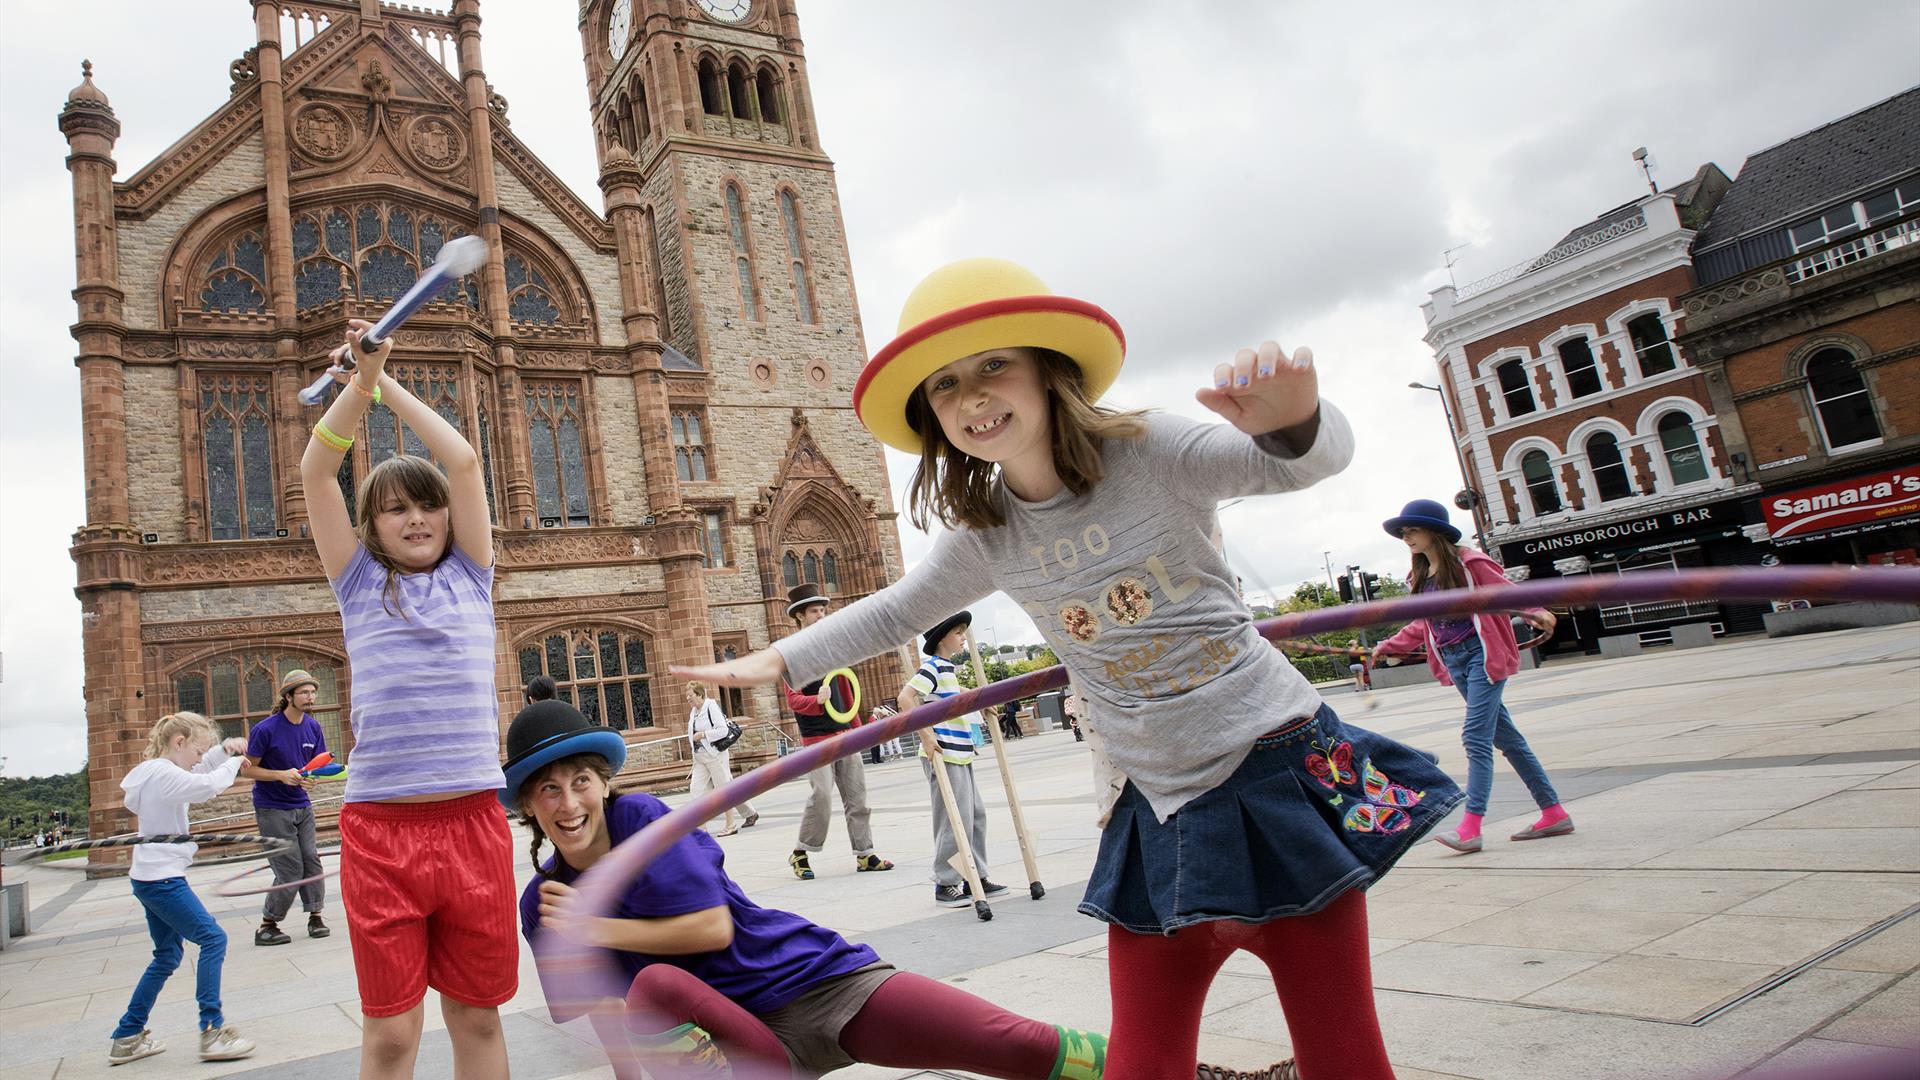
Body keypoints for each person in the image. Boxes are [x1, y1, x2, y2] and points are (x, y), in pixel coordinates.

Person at [673, 257, 1462, 1079]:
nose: (972, 397)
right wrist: (775, 659)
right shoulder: (988, 530)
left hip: (1274, 776)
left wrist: (1295, 419)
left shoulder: (1151, 449)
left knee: (1343, 1057)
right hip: (1156, 807)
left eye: (992, 366)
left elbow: (1294, 463)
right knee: (1140, 1066)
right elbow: (896, 611)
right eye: (945, 385)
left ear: (1049, 372)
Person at [503, 700, 1110, 1079]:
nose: (569, 803)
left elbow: (711, 929)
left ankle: (1160, 1070)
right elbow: (611, 1016)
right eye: (548, 790)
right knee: (656, 987)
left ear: (603, 784)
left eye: (580, 781)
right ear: (528, 808)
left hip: (814, 983)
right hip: (731, 1047)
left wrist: (594, 924)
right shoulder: (544, 904)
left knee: (1014, 1044)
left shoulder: (642, 819)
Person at [299, 319, 515, 1079]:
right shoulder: (358, 584)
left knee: (477, 1021)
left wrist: (383, 376)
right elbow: (316, 475)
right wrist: (357, 388)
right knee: (392, 1037)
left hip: (474, 822)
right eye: (395, 509)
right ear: (372, 526)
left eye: (426, 505)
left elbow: (460, 460)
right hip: (382, 828)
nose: (417, 517)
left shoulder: (472, 576)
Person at [1371, 500, 1573, 854]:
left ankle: (1471, 827)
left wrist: (1537, 612)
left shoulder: (1470, 563)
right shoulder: (1419, 576)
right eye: (1403, 533)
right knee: (1509, 741)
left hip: (1483, 657)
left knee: (1475, 738)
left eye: (1412, 530)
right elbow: (1424, 623)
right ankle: (1553, 812)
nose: (1407, 538)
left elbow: (1507, 593)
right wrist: (1389, 645)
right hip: (1455, 662)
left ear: (1434, 531)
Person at [108, 711, 257, 1066]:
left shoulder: (150, 772)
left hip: (148, 874)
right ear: (178, 743)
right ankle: (213, 1030)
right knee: (213, 939)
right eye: (196, 751)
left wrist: (222, 750)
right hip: (162, 879)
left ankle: (127, 1036)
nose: (199, 759)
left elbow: (199, 774)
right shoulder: (162, 774)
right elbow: (206, 786)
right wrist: (234, 763)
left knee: (168, 955)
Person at [779, 584, 893, 879]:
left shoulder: (833, 650)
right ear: (800, 615)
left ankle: (865, 854)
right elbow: (793, 700)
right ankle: (800, 852)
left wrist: (857, 730)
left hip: (845, 735)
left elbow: (847, 694)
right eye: (815, 611)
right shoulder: (792, 654)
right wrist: (817, 701)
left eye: (823, 610)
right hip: (816, 739)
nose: (821, 615)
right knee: (822, 797)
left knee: (857, 798)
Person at [899, 612, 1007, 908]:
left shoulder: (947, 669)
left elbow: (956, 693)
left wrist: (982, 702)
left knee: (975, 815)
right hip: (943, 752)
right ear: (942, 639)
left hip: (960, 752)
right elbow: (906, 698)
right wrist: (925, 735)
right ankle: (945, 882)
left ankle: (976, 875)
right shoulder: (932, 667)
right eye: (958, 632)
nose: (963, 637)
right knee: (953, 819)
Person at [239, 669, 330, 946]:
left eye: (313, 692)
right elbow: (247, 771)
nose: (310, 696)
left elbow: (317, 765)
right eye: (304, 692)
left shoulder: (313, 727)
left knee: (311, 859)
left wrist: (311, 780)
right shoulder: (265, 729)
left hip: (301, 805)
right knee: (290, 868)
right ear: (288, 696)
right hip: (272, 808)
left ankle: (315, 916)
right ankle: (268, 925)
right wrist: (280, 774)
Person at [687, 681, 758, 836]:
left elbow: (723, 730)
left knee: (724, 789)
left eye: (690, 695)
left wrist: (704, 735)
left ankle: (731, 824)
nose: (688, 698)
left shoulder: (710, 706)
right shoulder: (694, 711)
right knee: (696, 791)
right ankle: (702, 828)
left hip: (715, 755)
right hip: (700, 758)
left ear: (700, 694)